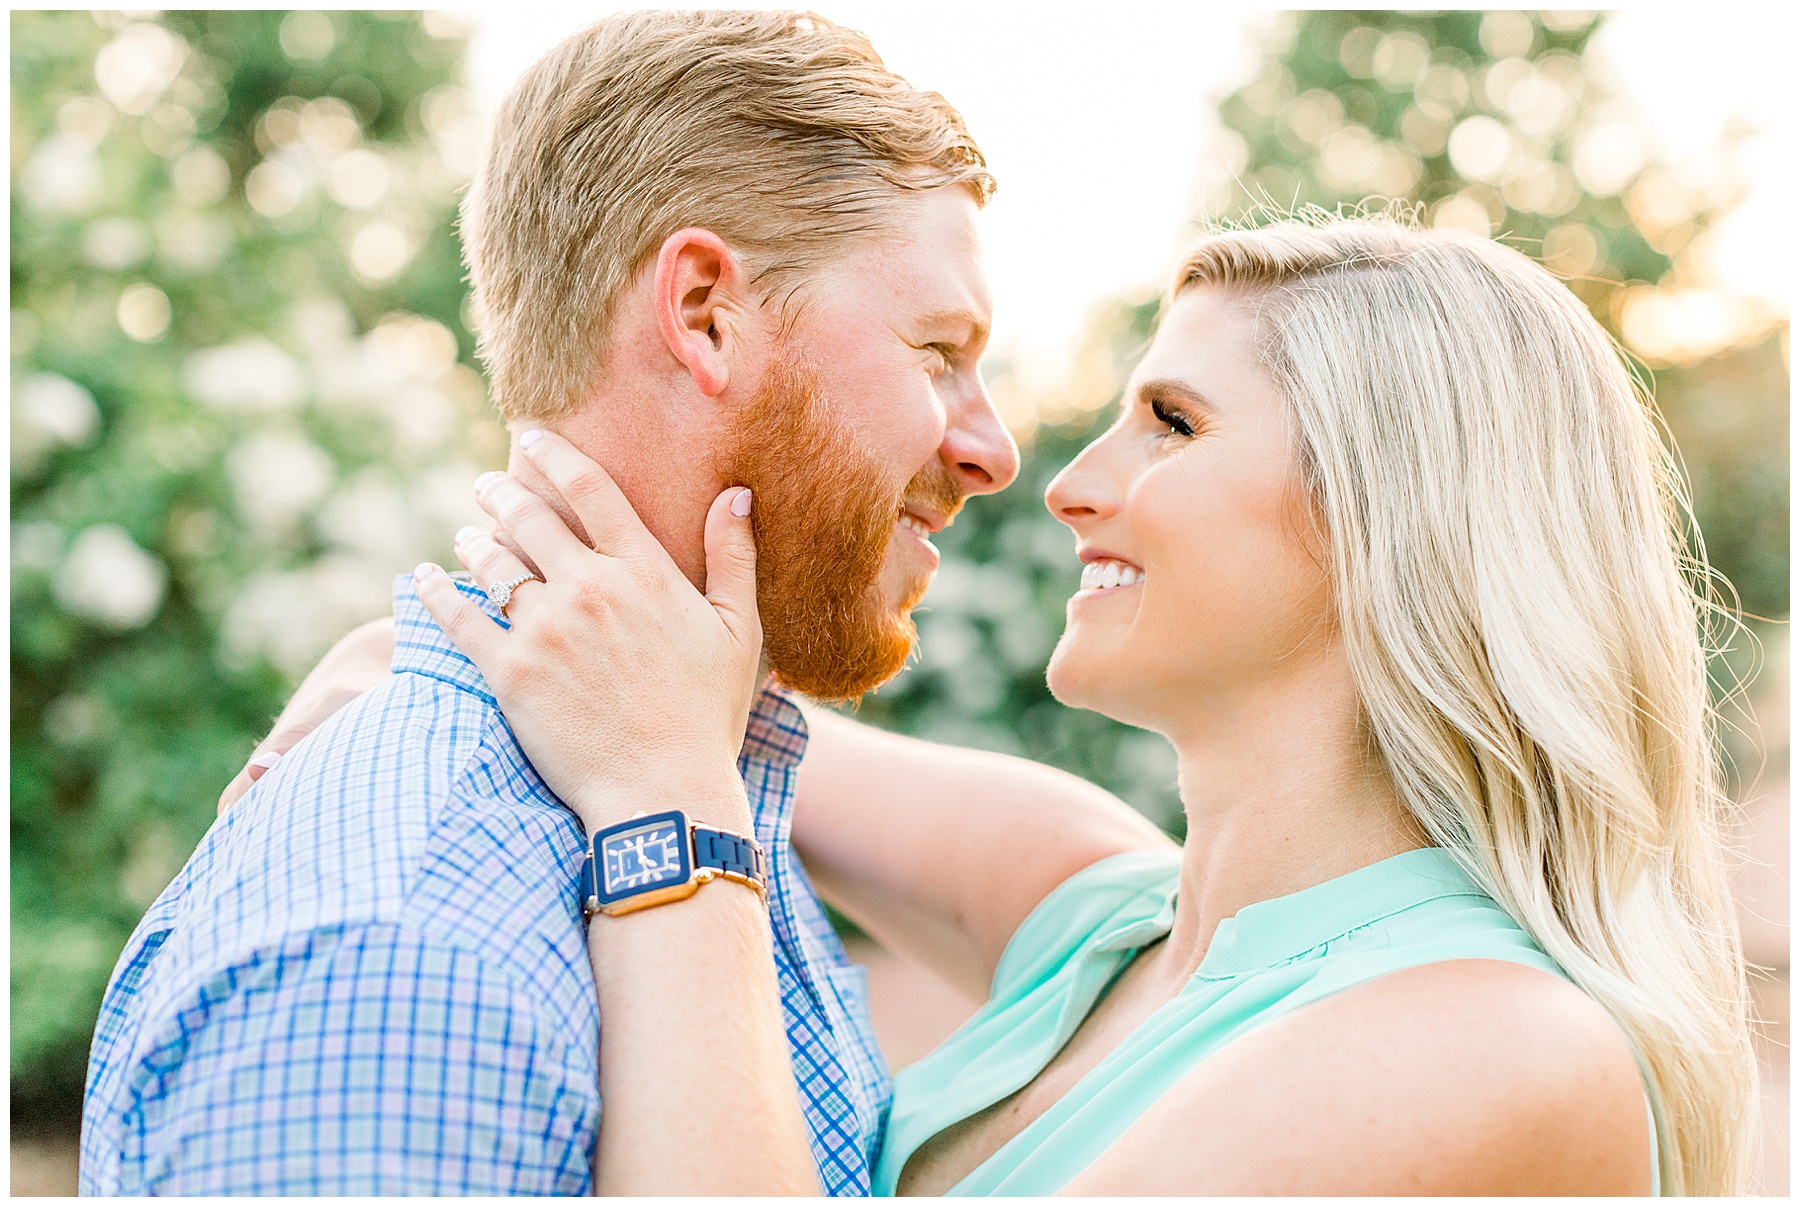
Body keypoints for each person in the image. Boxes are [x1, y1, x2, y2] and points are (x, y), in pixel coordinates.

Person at [230, 215, 1758, 1194]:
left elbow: (663, 745)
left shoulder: (1494, 1045)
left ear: (1395, 517)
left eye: (1170, 423)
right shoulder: (1109, 921)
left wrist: (667, 821)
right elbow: (631, 664)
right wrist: (393, 669)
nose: (1069, 482)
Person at [78, 12, 1168, 1195]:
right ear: (705, 312)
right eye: (935, 352)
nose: (996, 450)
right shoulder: (407, 956)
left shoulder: (694, 778)